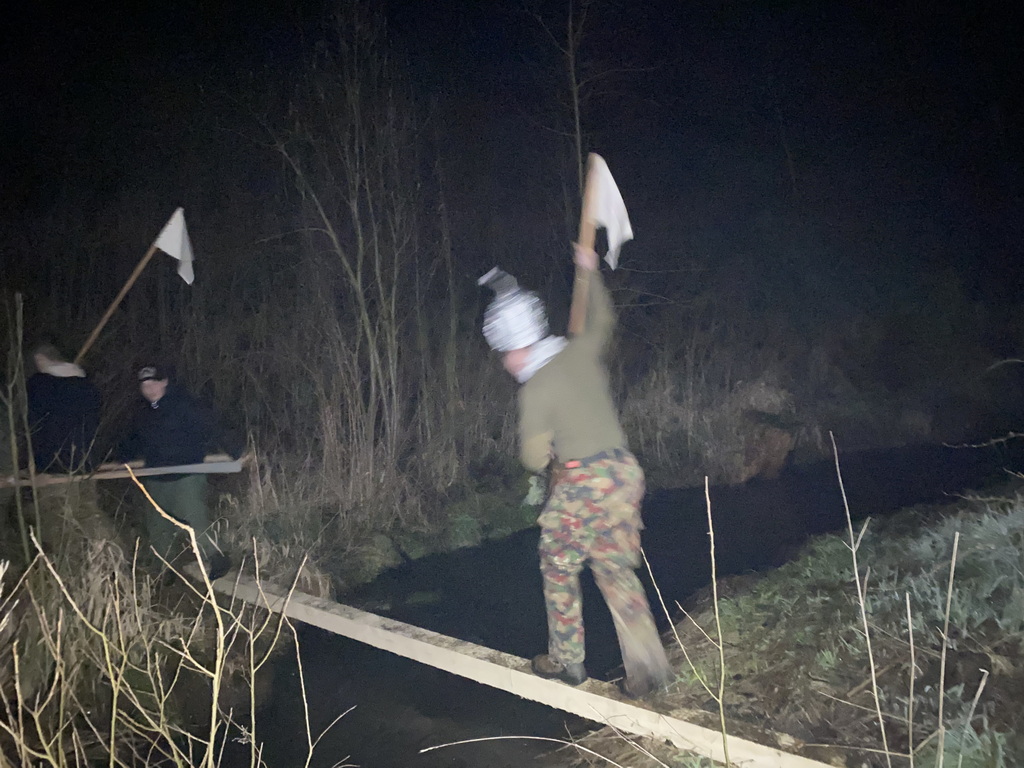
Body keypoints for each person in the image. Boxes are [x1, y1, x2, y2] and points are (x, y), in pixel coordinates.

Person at [478, 244, 672, 699]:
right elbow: (603, 320)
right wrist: (589, 271)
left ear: (515, 346)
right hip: (624, 474)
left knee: (558, 564)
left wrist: (547, 450)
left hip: (584, 481)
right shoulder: (580, 352)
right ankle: (648, 670)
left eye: (504, 353)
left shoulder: (534, 389)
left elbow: (532, 457)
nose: (504, 362)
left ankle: (567, 662)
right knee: (614, 569)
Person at [119, 364, 236, 580]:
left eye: (153, 383)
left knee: (194, 517)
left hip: (187, 473)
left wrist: (234, 449)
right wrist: (120, 456)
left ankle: (217, 557)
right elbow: (133, 441)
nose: (149, 389)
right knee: (158, 524)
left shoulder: (184, 405)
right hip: (156, 476)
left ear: (164, 382)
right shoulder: (142, 413)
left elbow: (211, 426)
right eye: (144, 385)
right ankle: (165, 568)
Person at [26, 343, 102, 473]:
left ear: (42, 359)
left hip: (52, 460)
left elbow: (37, 421)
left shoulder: (41, 384)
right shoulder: (87, 385)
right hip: (84, 458)